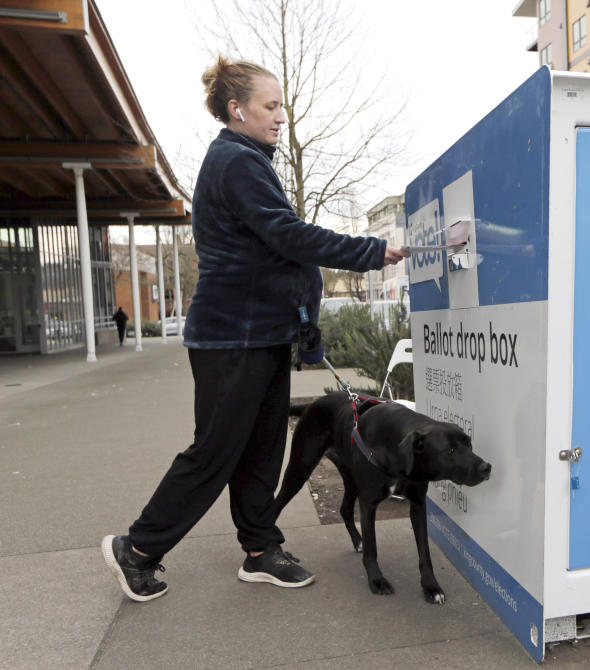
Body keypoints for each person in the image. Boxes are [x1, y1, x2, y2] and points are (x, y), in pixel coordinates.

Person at [102, 56, 409, 602]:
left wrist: (304, 323)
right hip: (231, 339)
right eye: (271, 106)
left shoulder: (252, 160)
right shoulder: (236, 161)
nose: (279, 117)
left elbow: (278, 259)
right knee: (217, 451)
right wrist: (370, 251)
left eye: (281, 106)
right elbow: (289, 237)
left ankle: (259, 548)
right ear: (236, 108)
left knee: (264, 448)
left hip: (261, 335)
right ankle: (139, 548)